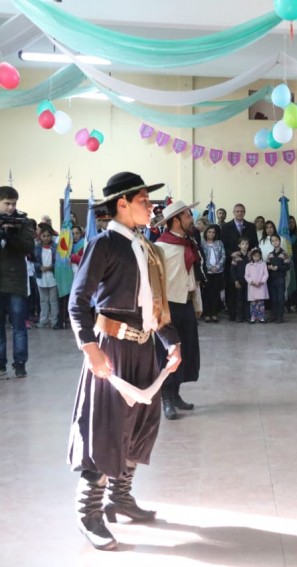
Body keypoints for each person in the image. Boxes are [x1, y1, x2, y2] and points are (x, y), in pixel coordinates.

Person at [68, 172, 182, 550]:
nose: (151, 207)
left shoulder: (145, 247)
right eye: (144, 201)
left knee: (139, 427)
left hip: (144, 348)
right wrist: (91, 348)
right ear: (123, 204)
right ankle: (88, 514)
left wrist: (171, 341)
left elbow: (155, 304)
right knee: (106, 429)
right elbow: (77, 302)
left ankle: (120, 497)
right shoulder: (103, 245)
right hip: (112, 348)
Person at [154, 200, 203, 420]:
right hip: (168, 307)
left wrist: (197, 303)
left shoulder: (188, 243)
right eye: (187, 216)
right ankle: (166, 398)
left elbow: (192, 276)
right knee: (167, 353)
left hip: (186, 304)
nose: (191, 219)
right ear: (175, 221)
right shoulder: (161, 247)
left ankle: (175, 394)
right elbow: (154, 282)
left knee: (186, 351)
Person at [0, 185, 33, 378]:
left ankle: (20, 363)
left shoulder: (23, 221)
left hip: (16, 281)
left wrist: (11, 237)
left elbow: (29, 246)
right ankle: (0, 365)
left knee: (19, 326)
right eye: (7, 203)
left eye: (13, 204)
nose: (11, 207)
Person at [221, 204, 258, 321]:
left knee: (246, 289)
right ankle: (233, 314)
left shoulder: (251, 226)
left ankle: (246, 314)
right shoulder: (226, 227)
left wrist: (251, 253)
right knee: (232, 288)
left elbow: (255, 243)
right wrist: (231, 254)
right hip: (232, 262)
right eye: (237, 211)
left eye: (242, 211)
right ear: (233, 212)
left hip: (247, 262)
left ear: (244, 212)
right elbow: (223, 244)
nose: (239, 213)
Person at [33, 226, 60, 329]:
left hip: (53, 277)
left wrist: (50, 267)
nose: (46, 238)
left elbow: (59, 261)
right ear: (40, 236)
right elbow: (33, 261)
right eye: (44, 236)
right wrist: (40, 267)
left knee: (53, 301)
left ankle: (54, 321)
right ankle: (43, 320)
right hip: (41, 277)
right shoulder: (36, 247)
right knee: (43, 300)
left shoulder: (56, 247)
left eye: (48, 236)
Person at [199, 225, 224, 323]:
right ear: (206, 233)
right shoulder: (202, 244)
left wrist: (217, 267)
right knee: (207, 293)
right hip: (207, 272)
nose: (211, 234)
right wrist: (210, 267)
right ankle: (207, 314)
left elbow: (223, 256)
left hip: (218, 272)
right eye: (209, 232)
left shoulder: (219, 243)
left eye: (213, 232)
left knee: (215, 293)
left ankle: (214, 313)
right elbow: (201, 258)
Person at [266, 234, 290, 323]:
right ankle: (274, 315)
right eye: (272, 241)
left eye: (276, 240)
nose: (275, 242)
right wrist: (269, 267)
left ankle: (280, 316)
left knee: (280, 298)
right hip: (272, 278)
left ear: (279, 241)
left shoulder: (284, 253)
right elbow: (267, 265)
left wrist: (278, 268)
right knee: (274, 298)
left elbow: (288, 266)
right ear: (271, 243)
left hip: (280, 278)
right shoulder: (270, 254)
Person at [245, 248, 269, 323]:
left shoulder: (263, 264)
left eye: (258, 256)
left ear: (260, 256)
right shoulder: (248, 265)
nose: (256, 257)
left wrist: (261, 282)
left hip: (261, 286)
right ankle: (253, 317)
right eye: (255, 256)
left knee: (261, 303)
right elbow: (246, 276)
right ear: (252, 256)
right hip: (252, 286)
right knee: (253, 303)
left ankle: (261, 317)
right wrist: (252, 282)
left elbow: (266, 274)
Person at [230, 238, 250, 322]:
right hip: (239, 280)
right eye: (243, 244)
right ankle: (240, 316)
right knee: (239, 299)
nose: (245, 246)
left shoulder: (250, 256)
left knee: (248, 298)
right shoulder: (236, 257)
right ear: (239, 245)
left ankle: (248, 316)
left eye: (246, 244)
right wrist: (235, 280)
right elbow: (233, 270)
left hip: (249, 281)